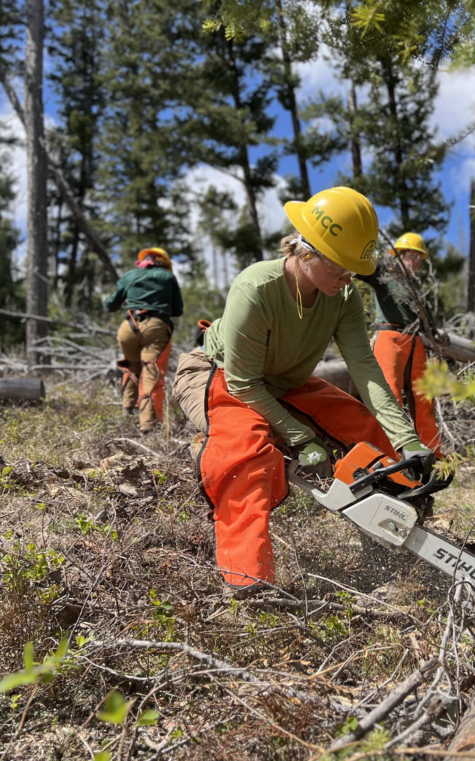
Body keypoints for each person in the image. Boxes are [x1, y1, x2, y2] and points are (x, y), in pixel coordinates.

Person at [173, 187, 434, 593]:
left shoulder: (342, 297)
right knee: (246, 452)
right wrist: (298, 433)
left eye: (353, 270)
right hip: (221, 374)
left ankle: (402, 529)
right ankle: (248, 582)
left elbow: (365, 371)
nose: (349, 278)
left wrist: (407, 440)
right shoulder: (257, 288)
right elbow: (243, 382)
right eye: (342, 268)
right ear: (307, 252)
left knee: (361, 425)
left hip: (285, 383)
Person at [357, 233, 443, 456]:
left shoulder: (416, 286)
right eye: (411, 256)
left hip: (416, 342)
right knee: (388, 395)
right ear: (399, 256)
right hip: (389, 337)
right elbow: (360, 269)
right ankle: (388, 455)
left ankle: (431, 453)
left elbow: (427, 319)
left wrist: (434, 334)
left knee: (424, 398)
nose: (415, 261)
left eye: (418, 257)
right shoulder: (385, 273)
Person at [104, 247, 183, 433]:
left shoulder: (129, 275)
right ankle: (149, 426)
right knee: (151, 373)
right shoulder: (167, 277)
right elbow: (178, 310)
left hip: (128, 328)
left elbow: (110, 305)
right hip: (155, 327)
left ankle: (127, 410)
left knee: (132, 367)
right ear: (164, 263)